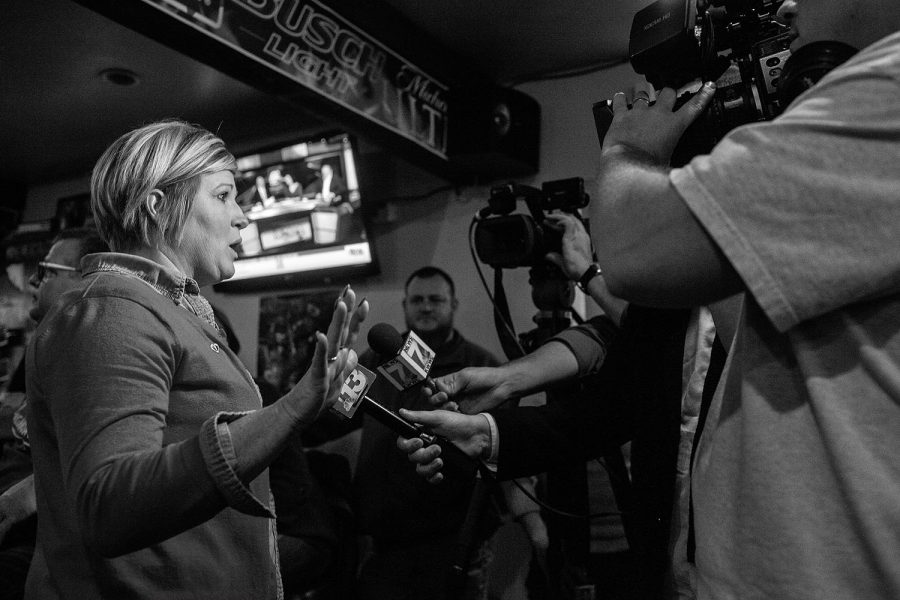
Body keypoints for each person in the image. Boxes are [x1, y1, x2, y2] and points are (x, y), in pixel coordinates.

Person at [413, 2, 900, 598]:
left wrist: (627, 152)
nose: (790, 9)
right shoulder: (702, 267)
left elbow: (630, 257)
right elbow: (615, 402)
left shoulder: (884, 97)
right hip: (686, 569)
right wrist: (489, 431)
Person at [23, 119, 368, 599]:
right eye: (224, 195)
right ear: (158, 206)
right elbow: (111, 509)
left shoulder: (169, 310)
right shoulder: (113, 311)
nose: (244, 217)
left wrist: (302, 406)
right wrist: (288, 411)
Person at [0, 227, 109, 600]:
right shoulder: (49, 348)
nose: (33, 279)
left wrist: (33, 491)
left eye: (46, 270)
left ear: (87, 278)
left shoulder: (104, 349)